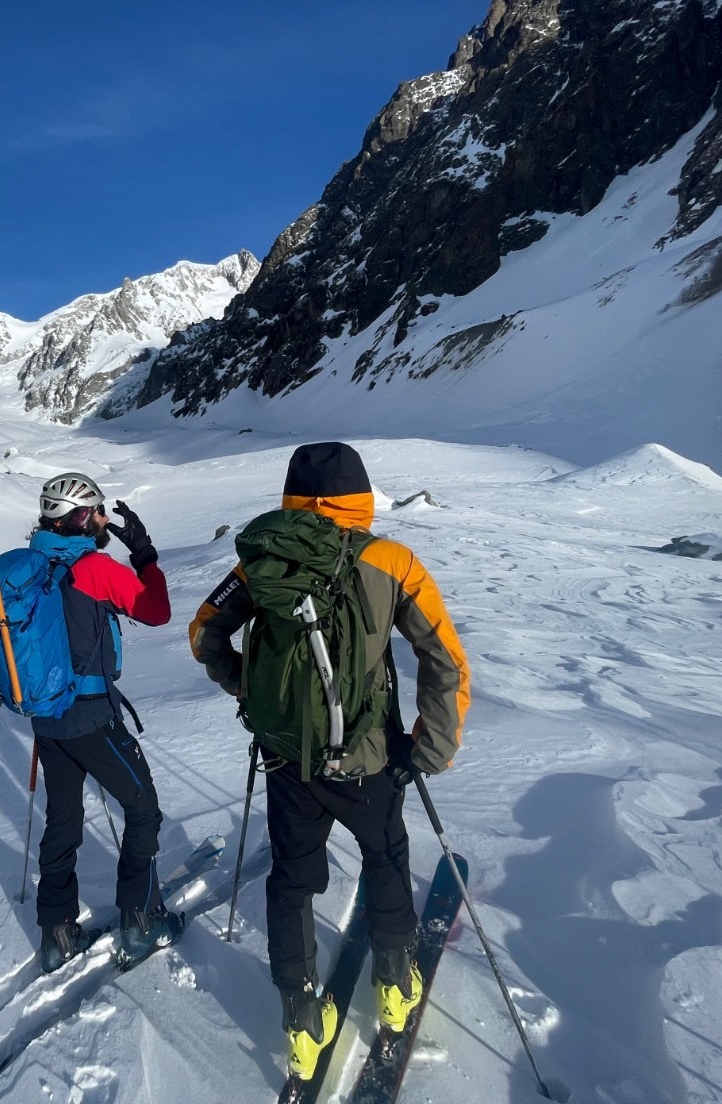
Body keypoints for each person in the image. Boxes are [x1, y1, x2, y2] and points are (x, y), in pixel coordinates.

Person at [188, 442, 471, 1082]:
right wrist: (429, 750)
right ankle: (395, 991)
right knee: (386, 858)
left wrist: (250, 689)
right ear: (360, 495)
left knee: (292, 881)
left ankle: (300, 1022)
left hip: (288, 758)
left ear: (294, 495)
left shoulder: (262, 556)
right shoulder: (392, 560)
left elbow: (205, 630)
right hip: (370, 760)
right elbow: (444, 661)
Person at [28, 471, 179, 972]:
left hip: (46, 718)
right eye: (97, 512)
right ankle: (140, 923)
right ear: (79, 516)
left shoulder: (28, 562)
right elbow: (156, 611)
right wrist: (145, 556)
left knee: (63, 819)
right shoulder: (91, 567)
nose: (105, 521)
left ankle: (56, 935)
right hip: (91, 717)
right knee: (143, 810)